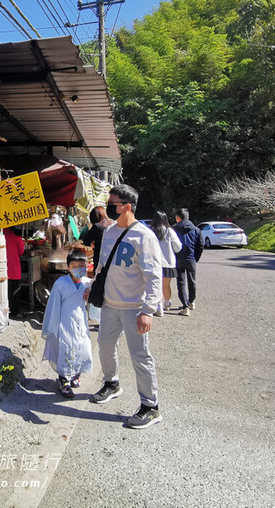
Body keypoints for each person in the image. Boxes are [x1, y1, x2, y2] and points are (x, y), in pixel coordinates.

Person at [88, 184, 163, 429]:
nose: (109, 207)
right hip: (109, 304)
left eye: (113, 203)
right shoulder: (108, 232)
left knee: (140, 356)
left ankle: (150, 406)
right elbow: (102, 266)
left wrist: (148, 311)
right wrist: (93, 285)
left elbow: (153, 276)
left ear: (126, 207)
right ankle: (112, 383)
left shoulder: (144, 236)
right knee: (105, 347)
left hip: (134, 308)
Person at [41, 248, 94, 398]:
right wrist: (53, 325)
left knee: (82, 346)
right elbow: (53, 305)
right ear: (68, 267)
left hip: (81, 321)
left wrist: (91, 291)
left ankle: (76, 375)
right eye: (74, 267)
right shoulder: (61, 283)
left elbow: (97, 289)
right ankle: (64, 380)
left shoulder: (87, 283)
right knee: (66, 348)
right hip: (64, 321)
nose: (78, 270)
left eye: (81, 266)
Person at [80, 206, 110, 325]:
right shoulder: (111, 224)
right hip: (111, 261)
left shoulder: (97, 227)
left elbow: (85, 242)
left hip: (100, 261)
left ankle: (100, 319)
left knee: (100, 288)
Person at [173, 207, 203, 316]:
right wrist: (196, 258)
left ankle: (185, 307)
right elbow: (200, 246)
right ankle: (191, 302)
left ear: (177, 217)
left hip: (178, 259)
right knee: (192, 280)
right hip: (191, 259)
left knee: (180, 282)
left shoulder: (174, 229)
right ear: (188, 217)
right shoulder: (196, 229)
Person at [150, 211, 182, 316]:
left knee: (156, 286)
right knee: (166, 285)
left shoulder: (151, 231)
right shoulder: (170, 231)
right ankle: (167, 303)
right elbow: (178, 247)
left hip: (154, 263)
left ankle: (159, 308)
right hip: (168, 263)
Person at [4, 226, 26, 317]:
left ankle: (4, 310)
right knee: (14, 291)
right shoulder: (17, 236)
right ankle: (15, 312)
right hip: (13, 268)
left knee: (4, 291)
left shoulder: (0, 234)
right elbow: (21, 251)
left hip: (1, 267)